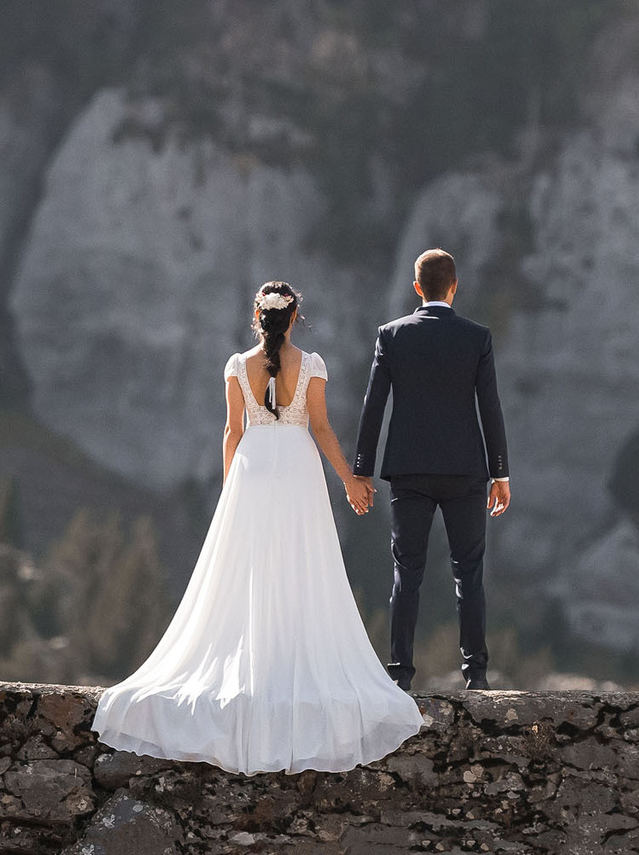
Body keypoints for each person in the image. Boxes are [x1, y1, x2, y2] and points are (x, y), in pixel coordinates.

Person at [92, 282, 422, 774]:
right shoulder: (311, 364)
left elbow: (232, 430)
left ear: (257, 316)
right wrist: (350, 480)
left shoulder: (236, 365)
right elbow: (320, 427)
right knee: (300, 564)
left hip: (252, 466)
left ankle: (257, 667)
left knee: (247, 569)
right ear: (294, 316)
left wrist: (231, 489)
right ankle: (289, 667)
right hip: (297, 466)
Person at [351, 248, 511, 691]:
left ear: (417, 288)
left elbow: (373, 405)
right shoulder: (477, 338)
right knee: (469, 572)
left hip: (410, 470)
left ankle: (400, 674)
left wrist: (362, 469)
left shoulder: (392, 335)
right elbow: (490, 407)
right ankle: (476, 674)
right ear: (454, 287)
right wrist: (500, 473)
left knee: (407, 573)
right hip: (466, 471)